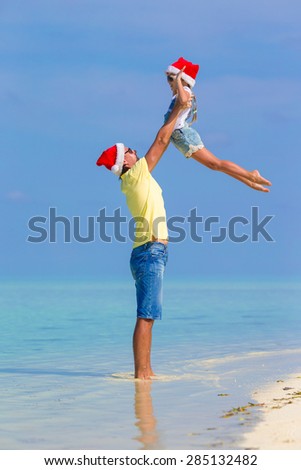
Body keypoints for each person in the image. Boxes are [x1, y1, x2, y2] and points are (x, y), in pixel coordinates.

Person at [96, 71, 189, 380]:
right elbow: (162, 140)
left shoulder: (131, 180)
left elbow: (161, 140)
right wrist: (177, 109)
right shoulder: (136, 175)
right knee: (146, 316)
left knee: (147, 315)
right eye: (131, 151)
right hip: (150, 252)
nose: (136, 152)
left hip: (147, 252)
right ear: (126, 162)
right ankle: (143, 375)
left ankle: (144, 373)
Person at [164, 57, 272, 192]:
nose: (168, 82)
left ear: (183, 78)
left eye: (171, 78)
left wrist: (179, 80)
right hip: (180, 137)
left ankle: (251, 175)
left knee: (216, 164)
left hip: (183, 136)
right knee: (216, 165)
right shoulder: (179, 93)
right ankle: (250, 181)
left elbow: (184, 99)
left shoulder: (185, 90)